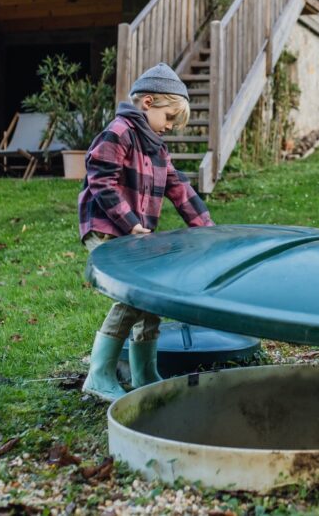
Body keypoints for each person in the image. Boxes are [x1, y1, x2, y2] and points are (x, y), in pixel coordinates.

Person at [79, 63, 214, 402]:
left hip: (135, 232)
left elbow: (178, 188)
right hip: (109, 228)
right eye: (169, 118)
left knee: (151, 298)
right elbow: (100, 179)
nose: (169, 127)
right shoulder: (120, 131)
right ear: (148, 103)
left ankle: (143, 374)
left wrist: (209, 232)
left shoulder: (156, 146)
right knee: (132, 298)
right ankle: (98, 376)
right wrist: (130, 223)